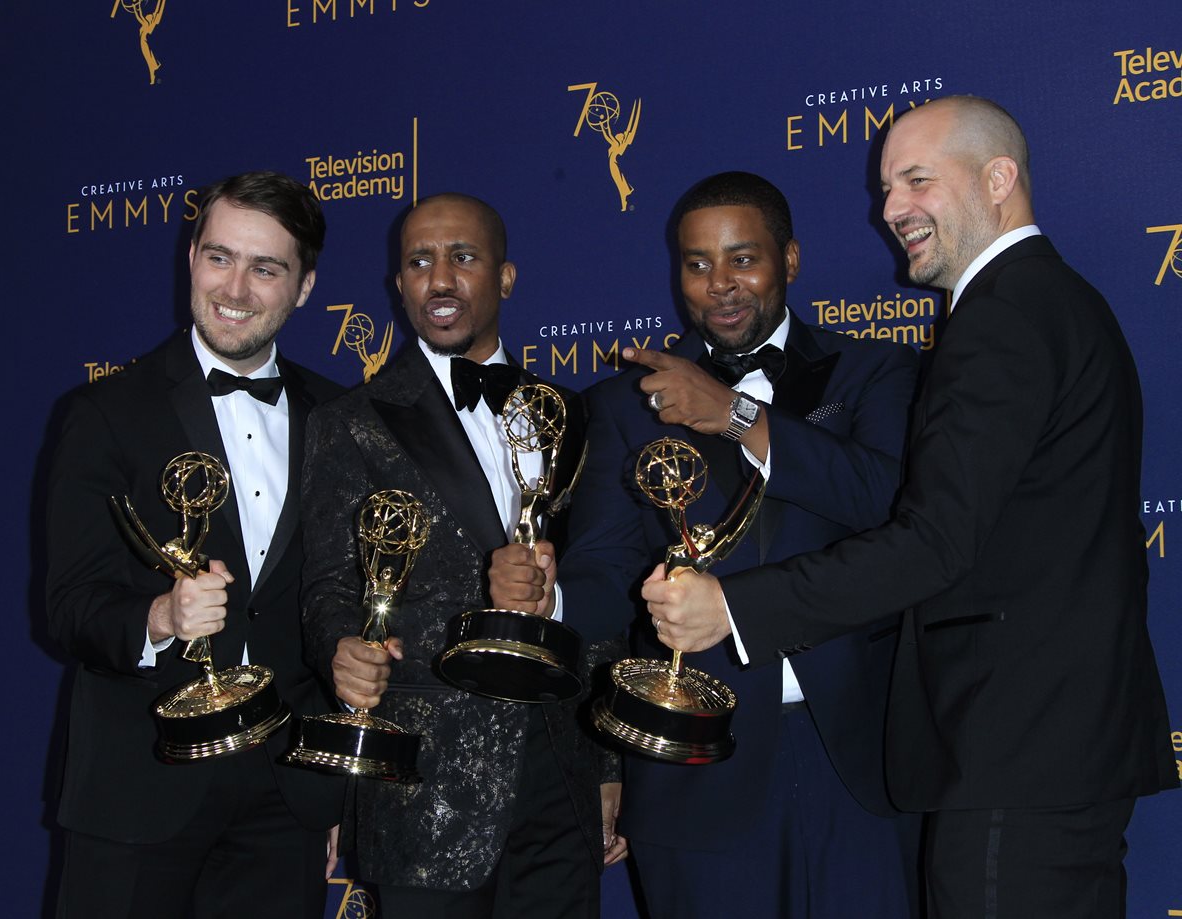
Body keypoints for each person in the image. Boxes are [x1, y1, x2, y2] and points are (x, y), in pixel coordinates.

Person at [644, 97, 1179, 918]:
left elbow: (932, 540)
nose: (890, 209)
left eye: (917, 180)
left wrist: (735, 607)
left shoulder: (1003, 317)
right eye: (887, 187)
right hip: (1044, 746)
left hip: (1017, 745)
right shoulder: (1044, 301)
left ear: (999, 179)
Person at [493, 171, 921, 918]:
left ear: (789, 260)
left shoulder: (876, 369)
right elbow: (605, 569)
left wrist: (735, 414)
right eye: (696, 264)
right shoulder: (624, 407)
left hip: (856, 758)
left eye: (742, 259)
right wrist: (548, 594)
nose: (719, 285)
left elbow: (889, 501)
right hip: (695, 767)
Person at [300, 192, 625, 919]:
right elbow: (327, 594)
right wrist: (339, 653)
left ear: (505, 277)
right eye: (419, 262)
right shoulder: (350, 425)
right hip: (425, 789)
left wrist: (608, 763)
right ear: (398, 285)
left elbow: (601, 590)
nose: (439, 279)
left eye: (463, 257)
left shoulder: (572, 414)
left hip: (559, 780)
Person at [46, 170, 346, 918]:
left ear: (305, 286)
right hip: (137, 789)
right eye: (218, 257)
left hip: (285, 801)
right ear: (190, 258)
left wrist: (335, 782)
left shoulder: (342, 418)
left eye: (265, 267)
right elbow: (67, 607)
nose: (234, 287)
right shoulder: (104, 414)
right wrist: (160, 619)